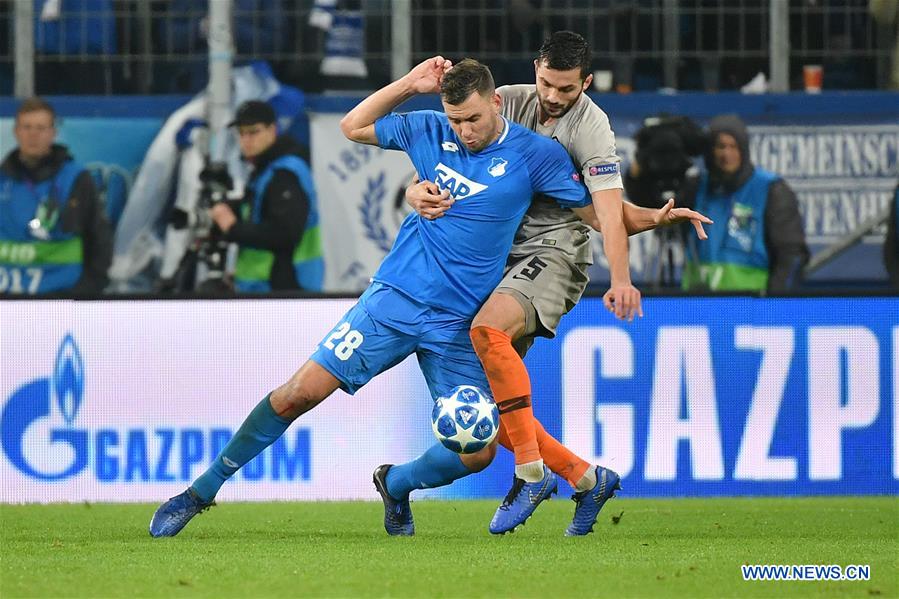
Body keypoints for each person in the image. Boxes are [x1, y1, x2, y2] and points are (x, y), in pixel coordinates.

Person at [148, 56, 595, 538]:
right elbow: (353, 126)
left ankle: (395, 484)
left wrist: (647, 219)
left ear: (496, 103)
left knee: (477, 450)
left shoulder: (535, 154)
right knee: (298, 393)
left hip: (458, 324)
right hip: (394, 301)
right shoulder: (429, 129)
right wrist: (410, 85)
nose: (464, 131)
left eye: (472, 119)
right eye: (456, 120)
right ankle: (199, 492)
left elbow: (601, 210)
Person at [400, 31, 711, 536]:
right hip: (501, 257)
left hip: (554, 252)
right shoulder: (502, 101)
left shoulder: (592, 128)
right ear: (535, 70)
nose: (553, 96)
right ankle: (587, 479)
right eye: (547, 83)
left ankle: (530, 475)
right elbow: (443, 163)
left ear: (585, 83)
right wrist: (414, 190)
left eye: (566, 88)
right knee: (494, 405)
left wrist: (622, 279)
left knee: (486, 332)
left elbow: (606, 214)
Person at [626, 113, 808, 292]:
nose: (726, 154)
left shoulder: (770, 189)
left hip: (750, 305)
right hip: (698, 304)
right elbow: (655, 209)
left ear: (744, 149)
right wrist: (640, 164)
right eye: (720, 146)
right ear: (710, 150)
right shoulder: (697, 187)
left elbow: (791, 254)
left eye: (733, 146)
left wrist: (775, 302)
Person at [0, 97, 112, 295]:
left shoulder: (76, 178)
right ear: (16, 131)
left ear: (53, 133)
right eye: (27, 127)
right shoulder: (2, 179)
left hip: (64, 294)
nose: (33, 134)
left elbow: (99, 236)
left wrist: (88, 289)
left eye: (41, 128)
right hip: (6, 294)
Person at [210, 100, 322, 292]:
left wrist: (232, 227)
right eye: (241, 133)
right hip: (266, 286)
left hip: (285, 288)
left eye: (253, 132)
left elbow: (284, 234)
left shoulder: (284, 174)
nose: (246, 140)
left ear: (272, 130)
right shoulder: (266, 168)